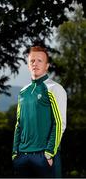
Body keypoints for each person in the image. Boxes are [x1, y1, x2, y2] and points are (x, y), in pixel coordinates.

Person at [12, 44, 67, 178]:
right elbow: (19, 124)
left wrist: (48, 153)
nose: (35, 63)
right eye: (32, 61)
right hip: (22, 157)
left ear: (47, 66)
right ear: (28, 65)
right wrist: (15, 152)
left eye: (39, 60)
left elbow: (60, 123)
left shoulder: (54, 88)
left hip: (44, 156)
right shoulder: (22, 92)